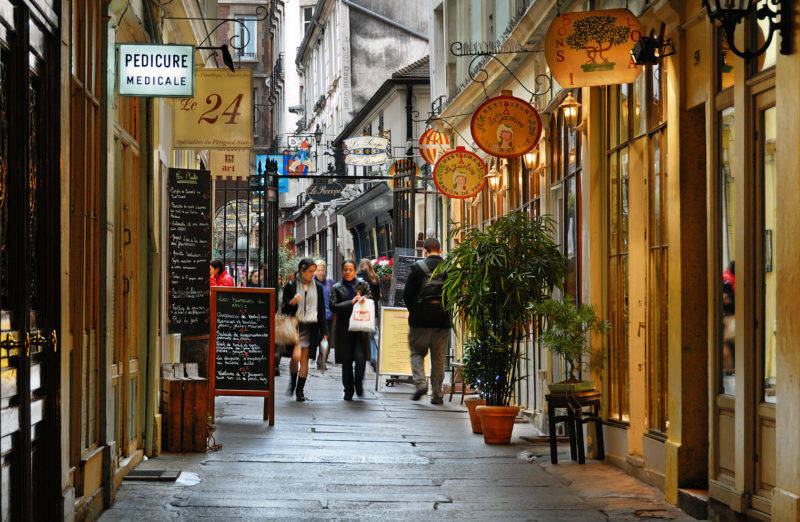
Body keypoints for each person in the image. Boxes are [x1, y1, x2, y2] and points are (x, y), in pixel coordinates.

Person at [403, 237, 449, 404]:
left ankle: (421, 383)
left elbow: (407, 295)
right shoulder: (448, 268)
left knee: (416, 352)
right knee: (438, 359)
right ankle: (437, 395)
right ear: (440, 250)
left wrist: (415, 312)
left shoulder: (417, 268)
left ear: (425, 251)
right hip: (442, 323)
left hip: (419, 322)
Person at [280, 258, 327, 402]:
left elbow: (321, 310)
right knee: (295, 357)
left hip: (310, 325)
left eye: (314, 271)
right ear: (302, 271)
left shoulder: (317, 288)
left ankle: (299, 391)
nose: (313, 274)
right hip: (294, 324)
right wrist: (292, 302)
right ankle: (293, 382)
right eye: (310, 271)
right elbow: (284, 309)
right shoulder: (291, 286)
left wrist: (324, 331)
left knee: (304, 357)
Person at [330, 260, 372, 400]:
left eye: (350, 269)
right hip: (344, 330)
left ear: (355, 271)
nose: (348, 272)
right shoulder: (336, 287)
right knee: (346, 362)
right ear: (342, 271)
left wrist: (364, 299)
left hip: (360, 329)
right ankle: (348, 391)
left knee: (360, 359)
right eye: (345, 269)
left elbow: (371, 300)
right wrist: (351, 303)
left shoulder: (363, 285)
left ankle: (358, 384)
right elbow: (333, 306)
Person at [357, 258, 382, 368]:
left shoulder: (357, 278)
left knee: (360, 336)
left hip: (361, 311)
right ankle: (373, 356)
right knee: (371, 336)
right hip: (372, 311)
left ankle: (361, 357)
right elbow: (377, 297)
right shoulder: (375, 278)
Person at [314, 259, 335, 370]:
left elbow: (334, 297)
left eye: (322, 270)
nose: (321, 272)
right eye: (318, 270)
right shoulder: (311, 282)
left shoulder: (330, 282)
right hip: (315, 317)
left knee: (326, 340)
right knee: (317, 339)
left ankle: (321, 361)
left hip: (328, 316)